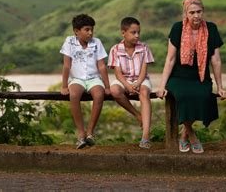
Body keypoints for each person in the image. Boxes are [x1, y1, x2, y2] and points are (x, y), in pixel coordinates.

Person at [156, 0, 226, 153]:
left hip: (201, 77)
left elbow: (216, 61)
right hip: (178, 77)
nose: (196, 16)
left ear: (203, 12)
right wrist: (161, 85)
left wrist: (220, 87)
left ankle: (183, 135)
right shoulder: (177, 28)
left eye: (199, 12)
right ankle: (193, 135)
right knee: (183, 96)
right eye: (192, 12)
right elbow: (170, 59)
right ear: (186, 14)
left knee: (204, 96)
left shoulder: (211, 29)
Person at [60, 14, 110, 149]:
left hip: (94, 78)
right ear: (76, 31)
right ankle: (81, 132)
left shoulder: (97, 42)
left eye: (92, 29)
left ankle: (90, 132)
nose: (90, 33)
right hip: (76, 79)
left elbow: (101, 66)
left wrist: (107, 86)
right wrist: (64, 86)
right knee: (74, 95)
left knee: (99, 95)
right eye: (87, 29)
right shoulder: (69, 41)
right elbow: (66, 65)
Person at [107, 17, 155, 149]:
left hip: (141, 79)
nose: (137, 35)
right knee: (115, 90)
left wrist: (138, 83)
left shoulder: (144, 48)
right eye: (133, 32)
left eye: (138, 32)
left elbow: (144, 71)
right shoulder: (115, 49)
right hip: (124, 79)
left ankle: (145, 135)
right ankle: (137, 115)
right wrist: (128, 85)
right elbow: (117, 73)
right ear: (123, 33)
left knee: (144, 93)